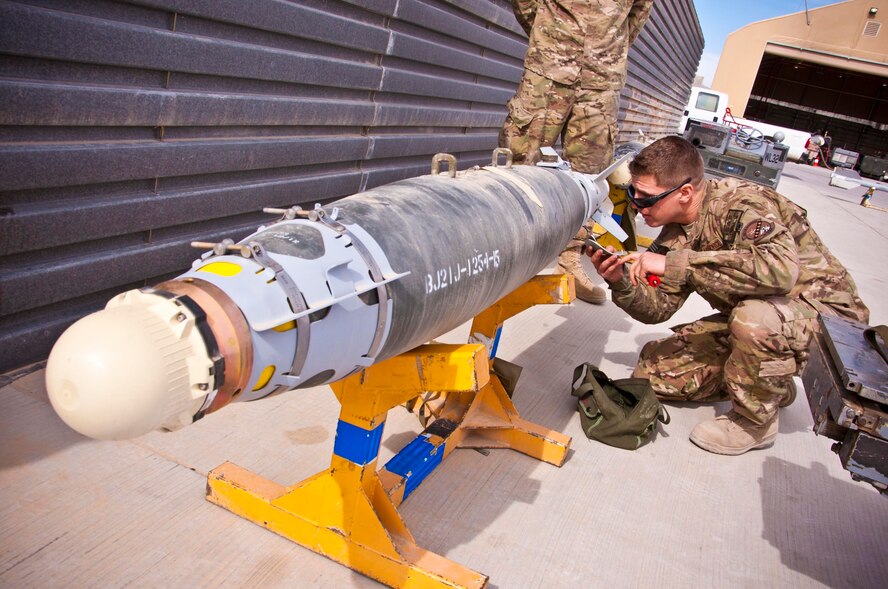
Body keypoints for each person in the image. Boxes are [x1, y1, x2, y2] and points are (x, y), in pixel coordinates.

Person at [589, 136, 870, 455]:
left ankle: (756, 421)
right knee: (653, 372)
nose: (637, 205)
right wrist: (620, 281)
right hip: (762, 315)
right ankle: (771, 383)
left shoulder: (739, 203)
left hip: (825, 321)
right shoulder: (677, 232)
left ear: (684, 193)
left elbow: (780, 270)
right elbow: (659, 308)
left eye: (647, 197)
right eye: (633, 193)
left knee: (754, 319)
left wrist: (674, 263)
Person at [500, 0, 654, 304]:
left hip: (601, 81)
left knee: (590, 176)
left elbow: (636, 16)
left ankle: (569, 261)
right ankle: (505, 250)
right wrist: (551, 32)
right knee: (519, 158)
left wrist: (604, 48)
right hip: (550, 66)